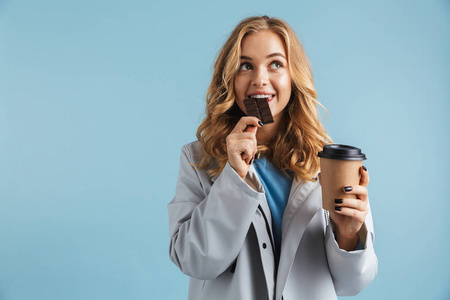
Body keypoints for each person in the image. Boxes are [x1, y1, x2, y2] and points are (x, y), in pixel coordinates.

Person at [168, 16, 377, 300]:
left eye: (275, 64)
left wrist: (350, 235)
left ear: (293, 76)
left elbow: (352, 284)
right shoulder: (198, 159)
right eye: (246, 66)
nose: (259, 79)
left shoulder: (327, 163)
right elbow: (193, 260)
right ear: (230, 78)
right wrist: (234, 177)